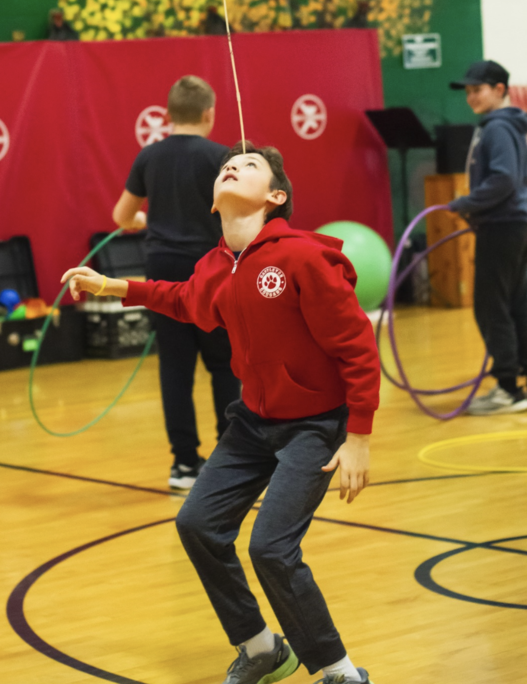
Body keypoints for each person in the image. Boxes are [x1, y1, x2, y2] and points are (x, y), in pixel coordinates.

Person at [64, 142, 379, 684]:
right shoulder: (217, 265)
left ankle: (340, 671)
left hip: (314, 424)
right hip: (253, 422)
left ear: (275, 196)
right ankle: (262, 648)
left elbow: (357, 346)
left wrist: (359, 437)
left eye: (250, 165)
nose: (232, 166)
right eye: (227, 167)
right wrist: (116, 285)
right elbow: (186, 298)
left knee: (272, 549)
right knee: (198, 525)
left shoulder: (302, 257)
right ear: (214, 201)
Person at [112, 75, 240, 490]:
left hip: (163, 266)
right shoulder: (220, 157)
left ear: (168, 115)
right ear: (209, 114)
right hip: (210, 269)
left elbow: (121, 217)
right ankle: (230, 458)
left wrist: (146, 220)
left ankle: (184, 465)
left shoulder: (149, 156)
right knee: (223, 363)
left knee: (175, 367)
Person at [449, 59, 527, 414]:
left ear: (499, 89)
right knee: (516, 302)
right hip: (514, 223)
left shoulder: (497, 128)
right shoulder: (511, 126)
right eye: (467, 92)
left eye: (477, 90)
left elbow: (504, 180)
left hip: (502, 223)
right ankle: (516, 381)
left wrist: (466, 203)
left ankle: (508, 389)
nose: (470, 98)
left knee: (491, 305)